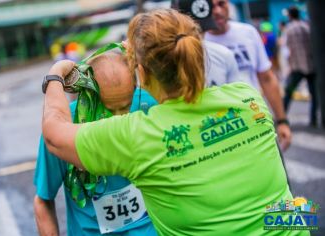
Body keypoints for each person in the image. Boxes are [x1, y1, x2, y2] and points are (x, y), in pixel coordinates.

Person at [41, 9, 308, 235]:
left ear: (141, 75)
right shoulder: (247, 97)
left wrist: (56, 75)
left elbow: (54, 134)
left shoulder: (137, 134)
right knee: (299, 207)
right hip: (296, 226)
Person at [34, 51, 157, 236]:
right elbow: (43, 200)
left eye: (125, 106)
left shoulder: (150, 105)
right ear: (88, 93)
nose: (118, 120)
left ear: (134, 86)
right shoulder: (64, 128)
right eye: (109, 109)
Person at [204, 0, 291, 151]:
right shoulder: (199, 42)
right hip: (223, 129)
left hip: (256, 118)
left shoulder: (248, 32)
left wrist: (282, 120)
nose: (217, 11)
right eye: (211, 6)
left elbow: (266, 78)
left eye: (221, 4)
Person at [171, 0, 240, 86]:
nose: (200, 36)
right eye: (194, 31)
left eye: (203, 31)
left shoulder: (223, 54)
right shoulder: (169, 59)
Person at [283, 6, 318, 127]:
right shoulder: (306, 26)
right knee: (314, 94)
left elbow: (286, 50)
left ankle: (281, 117)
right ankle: (313, 120)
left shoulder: (289, 29)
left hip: (297, 67)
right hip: (311, 66)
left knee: (288, 92)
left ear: (290, 16)